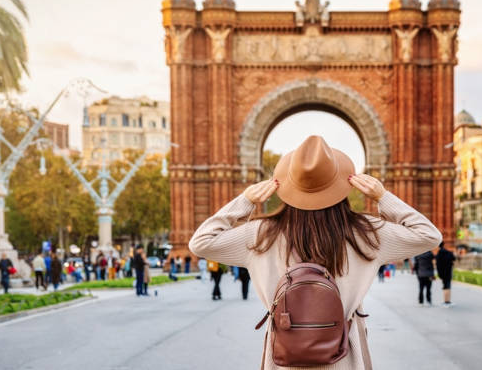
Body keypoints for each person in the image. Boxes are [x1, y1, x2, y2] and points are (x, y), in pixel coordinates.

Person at [189, 136, 442, 369]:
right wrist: (382, 197)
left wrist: (245, 201)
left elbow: (200, 242)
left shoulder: (261, 234)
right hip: (343, 358)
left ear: (287, 186)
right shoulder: (366, 233)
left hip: (284, 359)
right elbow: (429, 235)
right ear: (342, 185)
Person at [435, 242, 455, 307]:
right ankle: (447, 301)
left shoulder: (438, 254)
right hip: (448, 272)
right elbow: (454, 259)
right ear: (444, 245)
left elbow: (437, 265)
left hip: (442, 273)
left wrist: (439, 273)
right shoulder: (449, 253)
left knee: (445, 286)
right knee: (448, 286)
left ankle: (445, 301)